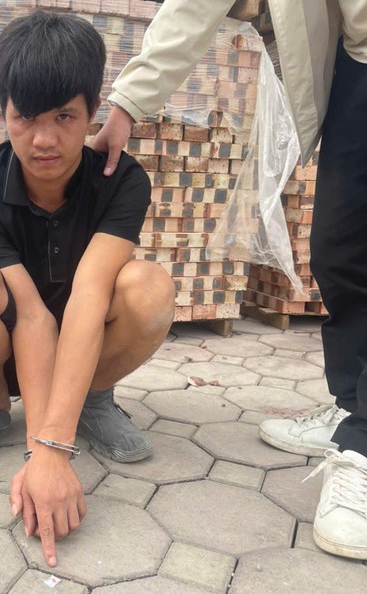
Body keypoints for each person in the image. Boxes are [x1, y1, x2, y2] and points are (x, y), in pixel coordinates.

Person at [92, 0, 367, 560]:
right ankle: (350, 405)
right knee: (339, 252)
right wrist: (126, 106)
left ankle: (363, 446)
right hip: (358, 66)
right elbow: (193, 7)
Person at [0, 11, 176, 568]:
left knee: (150, 287)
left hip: (86, 344)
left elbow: (90, 294)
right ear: (4, 113)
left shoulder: (121, 181)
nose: (43, 140)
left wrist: (52, 450)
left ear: (93, 112)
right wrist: (44, 455)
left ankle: (92, 400)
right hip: (9, 344)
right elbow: (33, 317)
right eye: (25, 117)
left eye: (64, 116)